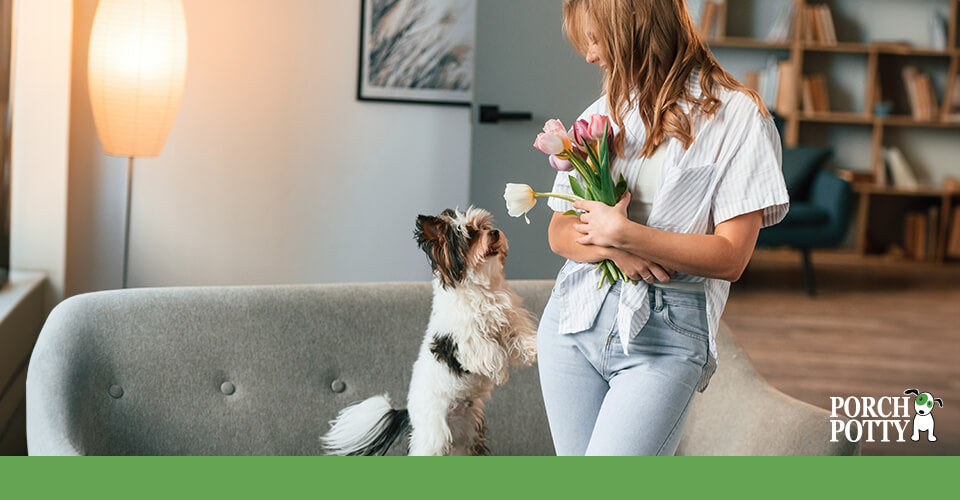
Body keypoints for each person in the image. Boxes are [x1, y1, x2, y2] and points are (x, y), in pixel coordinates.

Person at [536, 0, 790, 456]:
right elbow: (558, 230)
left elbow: (731, 257)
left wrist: (627, 235)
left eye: (595, 40)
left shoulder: (738, 117)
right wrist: (618, 250)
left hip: (665, 339)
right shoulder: (604, 112)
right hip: (572, 322)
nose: (590, 56)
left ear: (631, 26)